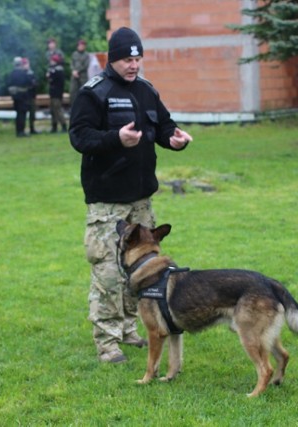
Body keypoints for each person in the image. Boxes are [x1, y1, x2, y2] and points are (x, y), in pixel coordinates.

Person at [69, 27, 193, 364]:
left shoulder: (146, 90)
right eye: (127, 59)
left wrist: (174, 139)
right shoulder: (94, 93)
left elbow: (164, 126)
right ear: (112, 58)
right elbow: (79, 137)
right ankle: (107, 341)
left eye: (137, 58)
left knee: (140, 269)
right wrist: (115, 139)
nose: (134, 65)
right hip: (108, 203)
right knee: (108, 272)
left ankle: (127, 329)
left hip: (141, 201)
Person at [7, 57, 31, 137]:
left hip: (15, 96)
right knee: (22, 114)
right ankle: (21, 131)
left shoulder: (12, 73)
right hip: (23, 96)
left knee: (18, 114)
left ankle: (18, 131)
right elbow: (29, 82)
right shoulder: (23, 73)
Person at [47, 54, 67, 133]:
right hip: (53, 92)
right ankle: (54, 126)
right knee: (53, 110)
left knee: (57, 110)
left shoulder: (58, 70)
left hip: (56, 93)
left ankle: (63, 126)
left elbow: (52, 79)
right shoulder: (54, 69)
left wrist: (49, 76)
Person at [22, 57, 40, 135]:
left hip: (31, 95)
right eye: (25, 64)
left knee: (32, 113)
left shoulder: (31, 73)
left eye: (27, 63)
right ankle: (22, 129)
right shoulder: (22, 74)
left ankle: (32, 128)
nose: (26, 65)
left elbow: (35, 82)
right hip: (25, 96)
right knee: (24, 113)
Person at [70, 39, 90, 105]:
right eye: (80, 45)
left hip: (83, 77)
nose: (81, 47)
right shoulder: (74, 54)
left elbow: (86, 66)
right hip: (74, 77)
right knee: (73, 92)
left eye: (83, 45)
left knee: (83, 93)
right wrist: (73, 71)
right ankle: (73, 108)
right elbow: (72, 64)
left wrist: (77, 71)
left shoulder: (86, 55)